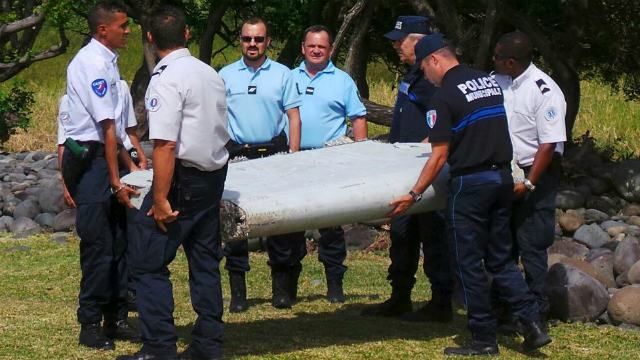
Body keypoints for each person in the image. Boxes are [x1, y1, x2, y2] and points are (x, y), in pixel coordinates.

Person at [388, 34, 551, 355]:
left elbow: (438, 156)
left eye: (425, 68)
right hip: (502, 179)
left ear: (434, 60)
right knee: (501, 259)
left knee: (468, 265)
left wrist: (413, 194)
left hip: (470, 185)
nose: (427, 77)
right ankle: (532, 325)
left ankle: (483, 339)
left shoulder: (444, 96)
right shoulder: (487, 82)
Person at [117, 5, 230, 360]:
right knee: (205, 261)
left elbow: (165, 144)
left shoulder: (165, 79)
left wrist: (161, 198)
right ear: (187, 35)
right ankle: (209, 344)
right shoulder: (210, 73)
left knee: (148, 263)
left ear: (149, 38)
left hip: (183, 180)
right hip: (213, 175)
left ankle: (159, 346)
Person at [361, 16, 453, 322]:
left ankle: (440, 302)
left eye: (400, 41)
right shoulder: (414, 75)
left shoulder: (432, 78)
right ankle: (399, 297)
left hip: (423, 171)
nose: (395, 46)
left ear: (419, 40)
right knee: (402, 236)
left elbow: (443, 122)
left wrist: (423, 151)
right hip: (401, 172)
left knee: (433, 237)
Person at [60, 0, 139, 351]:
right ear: (103, 29)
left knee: (121, 241)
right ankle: (90, 321)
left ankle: (117, 315)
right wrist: (114, 179)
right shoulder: (91, 63)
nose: (128, 30)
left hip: (108, 156)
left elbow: (120, 132)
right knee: (98, 244)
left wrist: (132, 165)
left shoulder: (110, 64)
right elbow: (105, 128)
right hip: (91, 160)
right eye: (122, 25)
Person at [218, 17, 305, 312]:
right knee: (235, 224)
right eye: (246, 39)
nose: (252, 44)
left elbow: (294, 116)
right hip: (238, 154)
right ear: (240, 41)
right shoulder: (226, 75)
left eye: (258, 39)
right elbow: (216, 117)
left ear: (268, 41)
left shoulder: (283, 74)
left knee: (278, 223)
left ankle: (280, 290)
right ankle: (239, 293)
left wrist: (294, 154)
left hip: (274, 154)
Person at [492, 31, 566, 322]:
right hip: (502, 170)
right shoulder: (496, 81)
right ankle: (504, 305)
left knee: (532, 244)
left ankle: (536, 309)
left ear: (511, 62)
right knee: (502, 242)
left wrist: (529, 182)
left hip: (535, 173)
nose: (492, 61)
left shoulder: (544, 90)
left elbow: (548, 145)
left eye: (497, 57)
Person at [291, 25, 368, 303]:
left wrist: (360, 156)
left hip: (329, 160)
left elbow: (358, 118)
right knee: (291, 224)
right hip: (294, 159)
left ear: (330, 49)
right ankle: (287, 288)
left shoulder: (343, 81)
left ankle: (335, 285)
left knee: (331, 228)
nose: (315, 50)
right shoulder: (289, 77)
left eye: (321, 46)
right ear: (303, 47)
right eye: (311, 45)